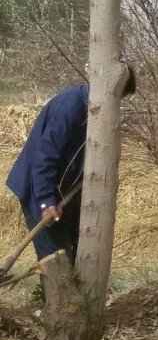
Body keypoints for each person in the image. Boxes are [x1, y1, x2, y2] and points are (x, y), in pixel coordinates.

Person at [6, 67, 136, 265]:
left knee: (75, 247)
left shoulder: (97, 111)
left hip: (66, 189)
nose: (117, 104)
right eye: (118, 98)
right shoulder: (70, 107)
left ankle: (80, 294)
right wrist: (46, 202)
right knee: (56, 257)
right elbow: (45, 158)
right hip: (37, 186)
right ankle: (54, 295)